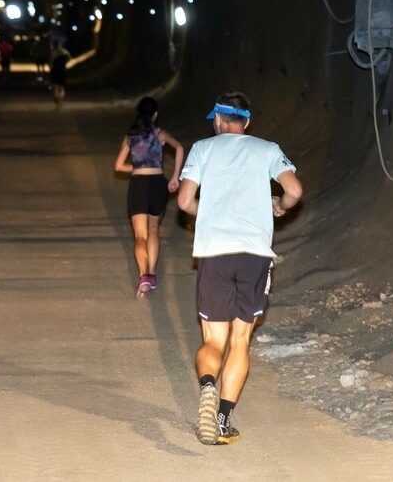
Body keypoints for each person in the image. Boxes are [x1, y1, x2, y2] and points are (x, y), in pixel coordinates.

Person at [176, 92, 303, 446]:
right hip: (254, 254)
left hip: (215, 251)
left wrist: (214, 213)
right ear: (246, 122)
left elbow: (184, 201)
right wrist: (280, 206)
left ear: (218, 121)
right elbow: (295, 189)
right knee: (240, 340)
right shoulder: (267, 149)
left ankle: (206, 387)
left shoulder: (202, 148)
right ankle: (222, 419)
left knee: (213, 340)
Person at [113, 96, 185, 297]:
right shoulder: (159, 133)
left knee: (140, 235)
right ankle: (151, 273)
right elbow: (179, 147)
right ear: (155, 115)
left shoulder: (131, 136)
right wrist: (175, 178)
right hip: (157, 184)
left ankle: (143, 275)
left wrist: (136, 168)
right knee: (154, 229)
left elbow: (118, 166)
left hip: (139, 184)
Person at [49, 43, 70, 108]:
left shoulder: (53, 52)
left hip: (55, 70)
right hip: (62, 70)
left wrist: (51, 67)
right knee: (62, 86)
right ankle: (60, 97)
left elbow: (50, 61)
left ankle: (57, 99)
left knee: (55, 86)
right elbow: (69, 58)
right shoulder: (65, 52)